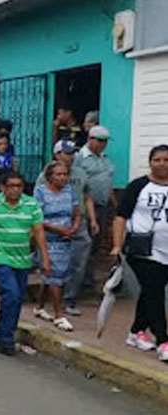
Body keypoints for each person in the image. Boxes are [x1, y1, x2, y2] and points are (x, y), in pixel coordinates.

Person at [0, 171, 49, 356]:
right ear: (3, 187)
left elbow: (38, 232)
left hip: (22, 258)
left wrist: (45, 258)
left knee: (16, 298)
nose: (15, 190)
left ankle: (4, 329)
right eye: (11, 186)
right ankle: (6, 338)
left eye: (19, 186)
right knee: (11, 293)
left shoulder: (31, 205)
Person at [111, 144, 168, 361]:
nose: (162, 164)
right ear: (150, 162)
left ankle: (136, 332)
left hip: (166, 250)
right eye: (158, 160)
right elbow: (120, 217)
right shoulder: (138, 186)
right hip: (142, 249)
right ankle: (163, 340)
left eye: (166, 160)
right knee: (155, 294)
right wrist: (117, 244)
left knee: (150, 292)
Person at [41, 140, 93, 316]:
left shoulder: (80, 174)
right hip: (51, 230)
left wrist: (89, 220)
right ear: (57, 154)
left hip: (76, 224)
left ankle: (69, 299)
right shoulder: (44, 178)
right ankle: (52, 306)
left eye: (72, 153)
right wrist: (56, 228)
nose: (70, 157)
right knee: (53, 269)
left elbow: (86, 198)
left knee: (78, 262)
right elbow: (37, 210)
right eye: (66, 153)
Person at [33, 161, 80, 332]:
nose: (62, 178)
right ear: (50, 176)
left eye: (65, 174)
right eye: (58, 174)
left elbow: (76, 212)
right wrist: (56, 228)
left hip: (65, 239)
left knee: (54, 276)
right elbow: (36, 218)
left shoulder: (69, 191)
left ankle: (39, 306)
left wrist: (74, 227)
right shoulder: (41, 192)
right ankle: (59, 315)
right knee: (54, 275)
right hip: (47, 240)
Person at [74, 125, 115, 297]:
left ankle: (88, 280)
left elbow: (108, 182)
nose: (103, 144)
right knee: (85, 244)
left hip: (103, 206)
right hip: (86, 207)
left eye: (105, 141)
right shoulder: (80, 158)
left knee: (96, 244)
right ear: (90, 139)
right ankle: (81, 281)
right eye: (99, 141)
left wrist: (114, 204)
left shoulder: (104, 159)